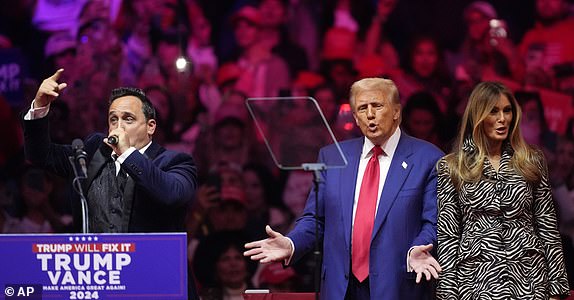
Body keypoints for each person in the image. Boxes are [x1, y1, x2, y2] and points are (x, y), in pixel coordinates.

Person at [245, 77, 444, 299]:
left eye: (377, 106)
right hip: (340, 289)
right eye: (362, 108)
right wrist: (292, 243)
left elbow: (434, 222)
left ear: (397, 111)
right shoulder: (332, 157)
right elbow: (315, 218)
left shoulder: (429, 159)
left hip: (398, 285)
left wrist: (417, 250)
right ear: (356, 118)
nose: (370, 114)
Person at [23, 69, 199, 298]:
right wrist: (40, 106)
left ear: (150, 126)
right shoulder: (94, 152)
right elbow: (41, 155)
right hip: (101, 286)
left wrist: (127, 153)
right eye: (113, 119)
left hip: (157, 286)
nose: (118, 126)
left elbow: (171, 194)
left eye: (128, 119)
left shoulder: (176, 161)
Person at [436, 81, 570, 299]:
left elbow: (547, 227)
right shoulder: (452, 166)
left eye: (507, 111)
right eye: (493, 111)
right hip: (476, 282)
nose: (502, 119)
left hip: (530, 281)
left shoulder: (531, 160)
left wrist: (557, 290)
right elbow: (449, 236)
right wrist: (448, 295)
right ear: (477, 116)